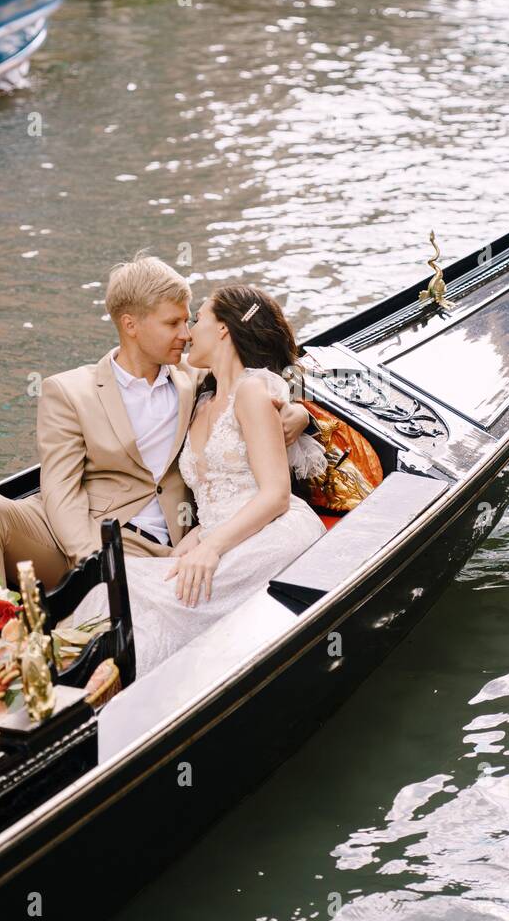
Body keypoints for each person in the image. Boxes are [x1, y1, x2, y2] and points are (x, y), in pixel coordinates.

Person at [0, 255, 315, 604]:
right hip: (76, 536)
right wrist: (93, 561)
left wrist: (299, 414)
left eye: (189, 321)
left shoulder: (198, 379)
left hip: (156, 545)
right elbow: (59, 490)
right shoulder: (68, 390)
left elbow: (267, 367)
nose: (187, 335)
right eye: (173, 323)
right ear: (131, 325)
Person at [70, 282, 327, 679]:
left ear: (224, 329)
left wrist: (211, 544)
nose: (188, 332)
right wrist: (200, 535)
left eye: (197, 318)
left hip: (274, 531)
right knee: (120, 584)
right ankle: (77, 681)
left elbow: (276, 495)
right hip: (221, 534)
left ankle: (120, 694)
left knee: (149, 594)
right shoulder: (202, 399)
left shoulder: (252, 392)